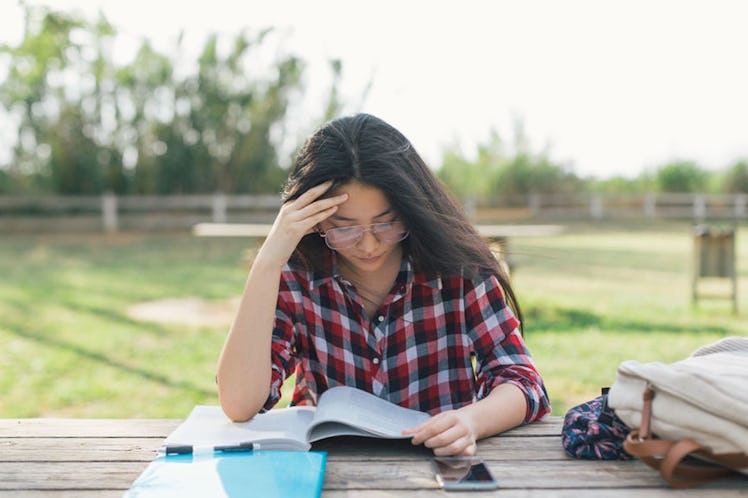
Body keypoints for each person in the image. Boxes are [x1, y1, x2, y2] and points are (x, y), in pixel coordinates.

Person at [216, 113, 550, 456]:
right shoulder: (297, 276)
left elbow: (524, 382)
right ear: (315, 221)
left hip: (438, 466)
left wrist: (471, 421)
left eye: (386, 223)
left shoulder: (459, 270)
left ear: (411, 210)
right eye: (344, 227)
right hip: (330, 470)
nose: (369, 245)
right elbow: (240, 404)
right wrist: (267, 262)